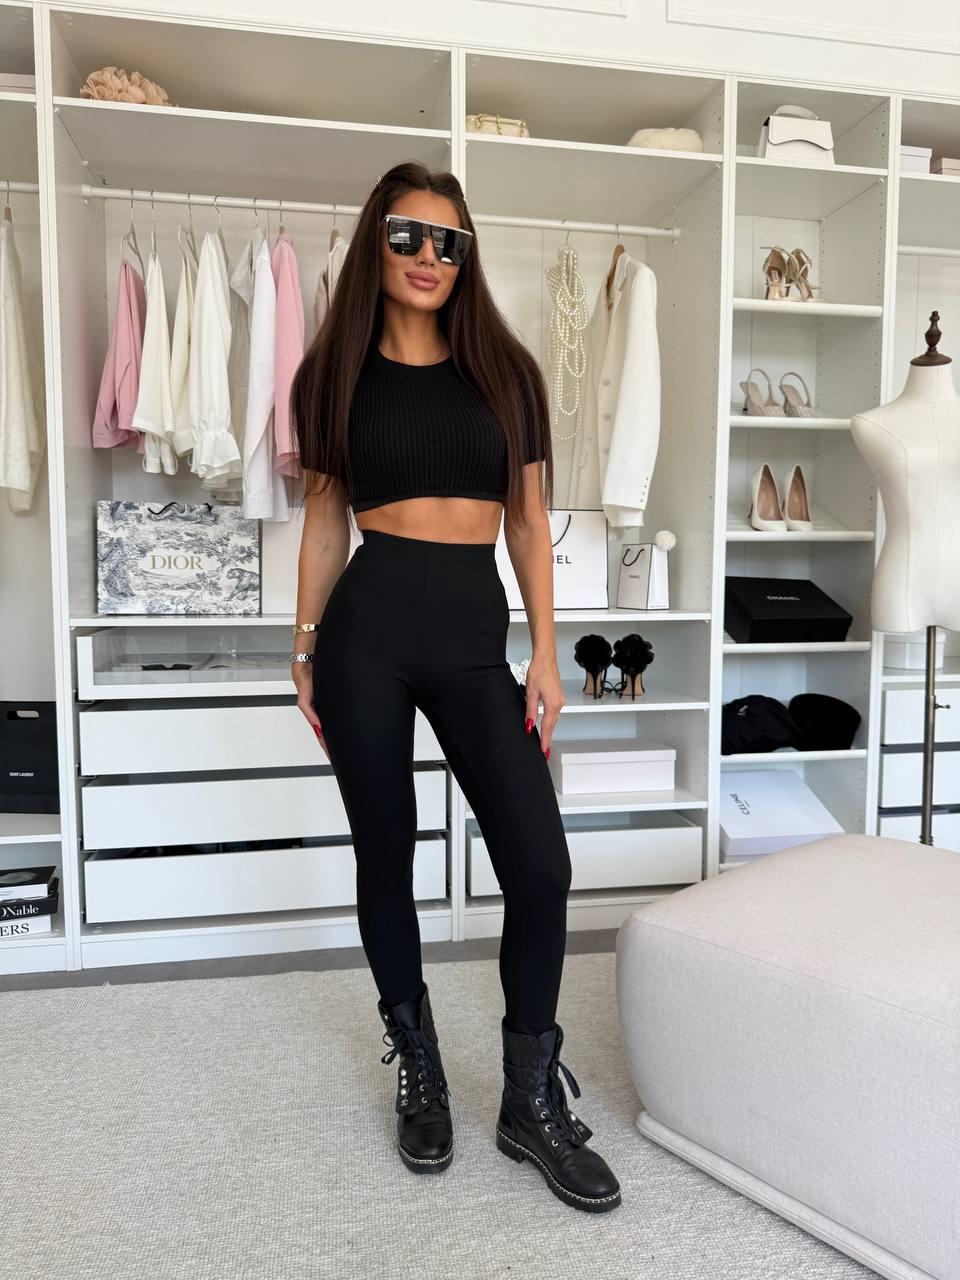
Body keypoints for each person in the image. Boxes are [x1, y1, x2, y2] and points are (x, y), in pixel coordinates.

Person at [289, 161, 621, 1213]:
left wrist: (545, 651)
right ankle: (420, 1063)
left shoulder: (506, 373)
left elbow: (527, 521)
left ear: (466, 256)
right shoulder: (333, 375)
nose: (429, 256)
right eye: (407, 235)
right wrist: (303, 649)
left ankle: (529, 1096)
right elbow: (324, 519)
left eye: (448, 241)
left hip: (476, 638)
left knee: (541, 863)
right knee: (385, 852)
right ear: (374, 244)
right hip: (367, 634)